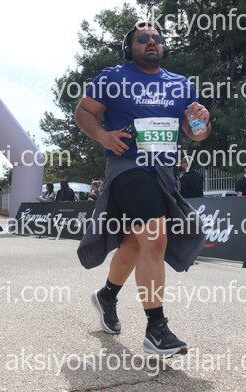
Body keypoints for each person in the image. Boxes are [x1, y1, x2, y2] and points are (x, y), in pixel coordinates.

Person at [74, 21, 210, 357]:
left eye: (157, 38)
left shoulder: (180, 85)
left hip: (164, 173)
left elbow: (196, 134)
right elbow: (84, 112)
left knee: (136, 244)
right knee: (156, 238)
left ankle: (106, 296)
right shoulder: (113, 77)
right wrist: (103, 136)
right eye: (143, 38)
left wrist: (202, 121)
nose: (152, 42)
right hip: (128, 167)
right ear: (129, 47)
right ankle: (156, 328)